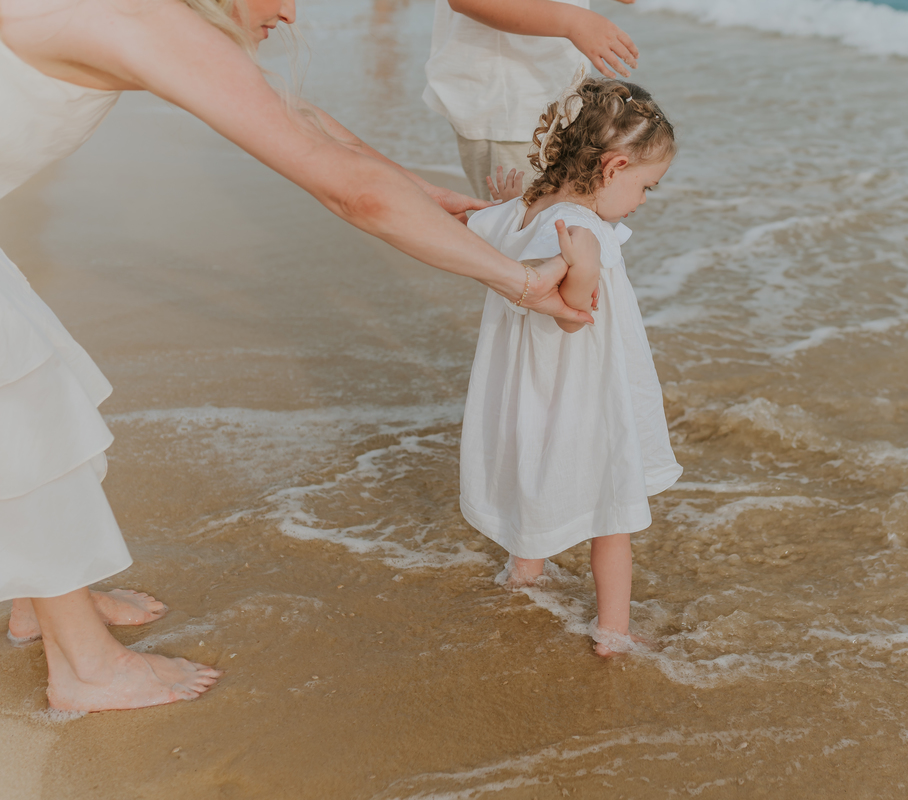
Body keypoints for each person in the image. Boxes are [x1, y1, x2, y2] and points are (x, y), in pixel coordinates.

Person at [0, 0, 592, 713]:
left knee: (33, 398)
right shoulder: (142, 21)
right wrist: (524, 284)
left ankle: (43, 595)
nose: (288, 11)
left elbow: (299, 120)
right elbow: (346, 192)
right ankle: (85, 667)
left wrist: (416, 189)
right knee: (24, 410)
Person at [459, 75, 682, 656]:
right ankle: (614, 631)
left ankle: (523, 574)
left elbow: (479, 233)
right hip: (581, 390)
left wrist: (505, 202)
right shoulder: (584, 230)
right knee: (611, 508)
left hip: (528, 387)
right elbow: (570, 314)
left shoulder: (527, 207)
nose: (640, 201)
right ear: (613, 168)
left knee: (534, 467)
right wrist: (582, 269)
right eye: (645, 187)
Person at [422, 0, 640, 201]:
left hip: (563, 99)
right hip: (511, 109)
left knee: (563, 225)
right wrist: (574, 21)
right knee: (521, 230)